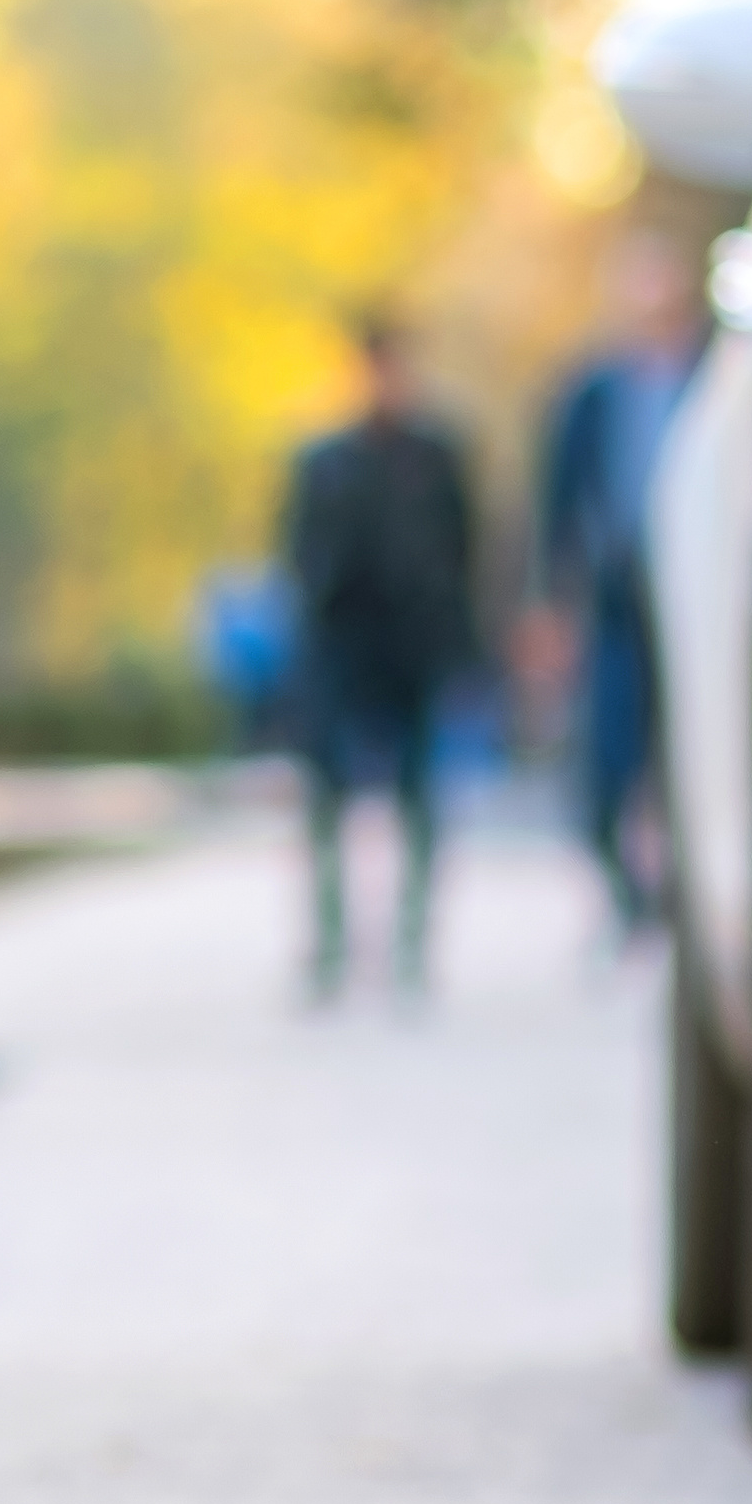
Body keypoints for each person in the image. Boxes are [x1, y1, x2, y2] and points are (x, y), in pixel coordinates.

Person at [281, 319, 477, 998]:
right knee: (326, 795)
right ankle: (332, 942)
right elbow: (298, 555)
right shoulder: (324, 460)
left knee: (419, 796)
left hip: (414, 644)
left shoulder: (437, 455)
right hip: (342, 641)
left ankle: (411, 942)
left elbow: (466, 548)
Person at [530, 228, 704, 935]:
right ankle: (623, 891)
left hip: (692, 598)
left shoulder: (707, 380)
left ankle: (683, 894)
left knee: (684, 748)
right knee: (606, 755)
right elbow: (558, 504)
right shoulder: (594, 390)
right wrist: (548, 604)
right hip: (615, 597)